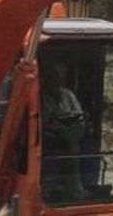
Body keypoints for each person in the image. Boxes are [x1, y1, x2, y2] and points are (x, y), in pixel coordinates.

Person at [41, 61, 87, 201]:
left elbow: (79, 114)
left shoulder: (68, 95)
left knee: (84, 143)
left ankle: (77, 187)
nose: (58, 79)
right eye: (54, 76)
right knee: (69, 146)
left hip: (70, 132)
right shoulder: (40, 96)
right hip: (48, 136)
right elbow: (41, 120)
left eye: (60, 76)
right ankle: (53, 187)